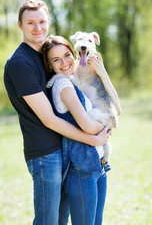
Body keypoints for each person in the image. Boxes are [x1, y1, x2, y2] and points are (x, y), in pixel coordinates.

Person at [3, 0, 111, 225]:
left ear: (49, 22)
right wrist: (93, 138)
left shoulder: (45, 54)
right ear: (20, 25)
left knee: (61, 219)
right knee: (48, 221)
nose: (37, 27)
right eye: (30, 22)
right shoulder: (20, 63)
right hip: (45, 153)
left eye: (42, 21)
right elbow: (48, 119)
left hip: (64, 148)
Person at [42, 35, 121, 225]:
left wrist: (102, 72)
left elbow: (117, 110)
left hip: (98, 163)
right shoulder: (63, 84)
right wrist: (105, 129)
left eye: (67, 55)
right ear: (50, 65)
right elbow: (87, 125)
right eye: (56, 60)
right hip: (82, 168)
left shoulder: (78, 78)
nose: (65, 62)